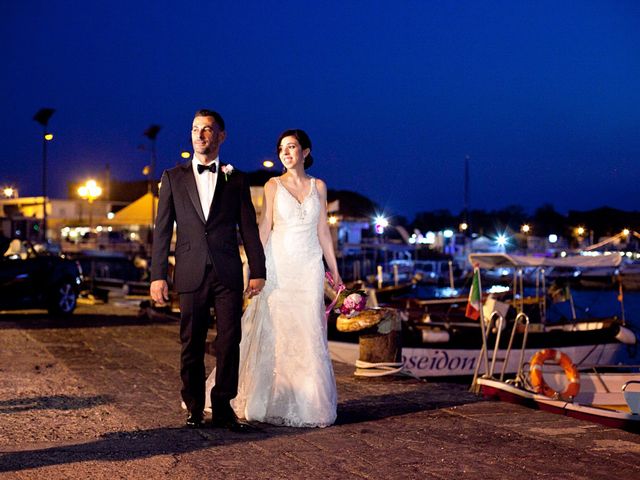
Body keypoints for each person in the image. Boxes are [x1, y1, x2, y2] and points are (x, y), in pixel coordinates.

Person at [150, 109, 266, 431]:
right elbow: (162, 231)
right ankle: (194, 407)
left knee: (230, 340)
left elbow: (248, 229)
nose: (200, 135)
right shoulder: (173, 177)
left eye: (207, 130)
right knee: (191, 342)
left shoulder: (237, 179)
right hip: (189, 271)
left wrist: (258, 269)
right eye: (195, 129)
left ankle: (224, 406)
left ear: (221, 136)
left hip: (227, 271)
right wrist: (158, 275)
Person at [228, 128, 342, 427]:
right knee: (275, 332)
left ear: (305, 152)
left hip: (308, 268)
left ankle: (309, 405)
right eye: (281, 149)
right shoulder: (272, 185)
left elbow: (323, 233)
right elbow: (265, 226)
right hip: (279, 266)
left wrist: (336, 273)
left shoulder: (319, 187)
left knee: (308, 332)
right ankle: (268, 400)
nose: (286, 153)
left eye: (291, 147)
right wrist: (254, 267)